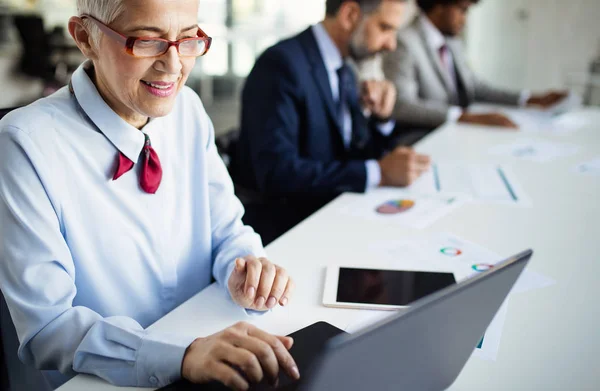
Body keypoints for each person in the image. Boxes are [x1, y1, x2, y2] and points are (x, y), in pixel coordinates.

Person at [0, 1, 299, 390]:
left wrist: (244, 268)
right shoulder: (23, 145)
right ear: (84, 37)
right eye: (146, 41)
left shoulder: (187, 109)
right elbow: (49, 326)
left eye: (189, 38)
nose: (173, 65)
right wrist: (182, 355)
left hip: (211, 347)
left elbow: (227, 228)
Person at [233, 0, 431, 243]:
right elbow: (277, 173)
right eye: (385, 28)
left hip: (334, 216)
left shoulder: (344, 67)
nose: (391, 44)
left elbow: (353, 153)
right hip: (288, 233)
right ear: (349, 15)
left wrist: (382, 120)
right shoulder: (280, 65)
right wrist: (378, 173)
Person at [382, 0, 568, 130]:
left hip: (459, 133)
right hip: (423, 138)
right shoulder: (405, 42)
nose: (465, 18)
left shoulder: (451, 41)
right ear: (439, 6)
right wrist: (464, 117)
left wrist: (529, 99)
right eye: (462, 10)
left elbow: (474, 86)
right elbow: (402, 106)